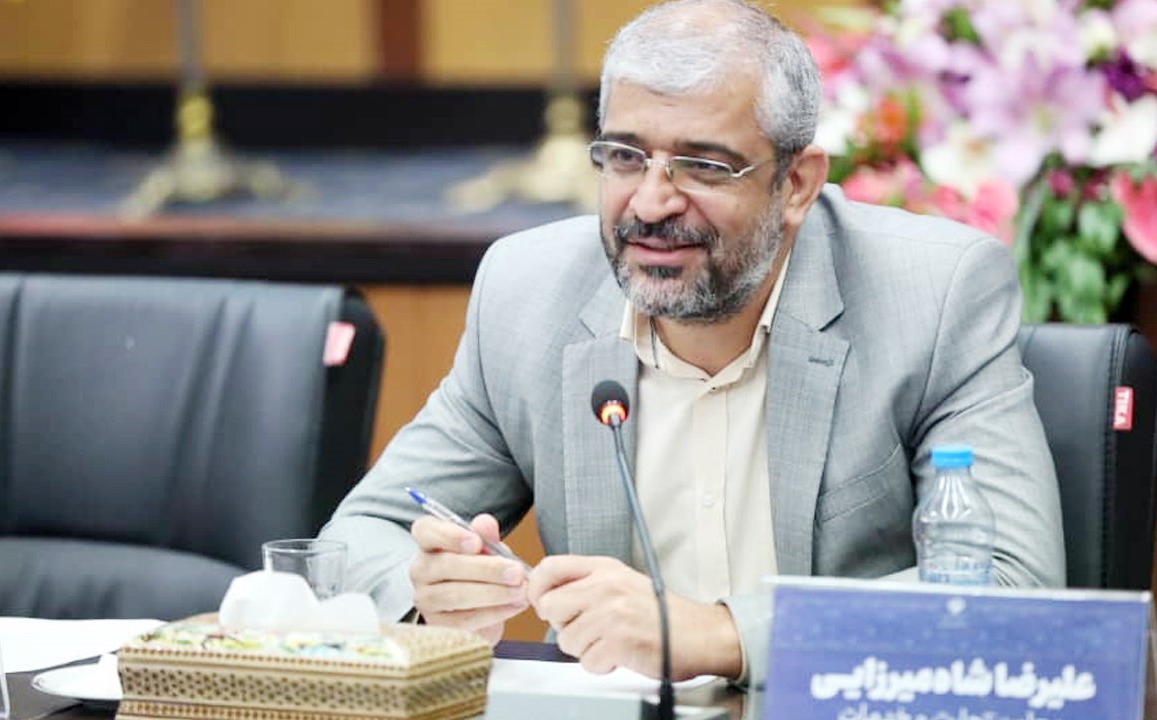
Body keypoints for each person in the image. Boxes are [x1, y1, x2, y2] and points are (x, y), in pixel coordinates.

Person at [321, 0, 1065, 686]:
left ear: (797, 185)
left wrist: (723, 635)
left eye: (705, 165)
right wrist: (427, 590)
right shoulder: (529, 295)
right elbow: (358, 540)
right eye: (624, 156)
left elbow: (1010, 589)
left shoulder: (932, 295)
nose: (650, 203)